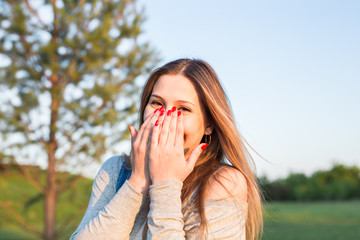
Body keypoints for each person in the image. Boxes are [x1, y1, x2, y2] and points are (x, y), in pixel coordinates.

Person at [70, 59, 263, 240]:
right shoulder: (115, 170)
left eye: (183, 109)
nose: (165, 118)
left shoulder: (223, 183)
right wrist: (138, 181)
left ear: (209, 125)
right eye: (156, 103)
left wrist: (165, 184)